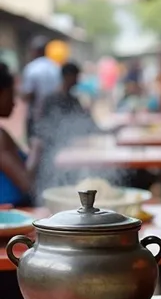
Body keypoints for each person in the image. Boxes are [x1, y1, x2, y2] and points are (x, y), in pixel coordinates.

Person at [35, 62, 99, 197]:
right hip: (52, 155)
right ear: (67, 76)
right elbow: (40, 129)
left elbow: (89, 125)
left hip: (72, 155)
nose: (77, 80)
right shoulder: (50, 99)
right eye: (75, 77)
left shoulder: (73, 100)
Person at [0, 62, 39, 206]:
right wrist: (36, 151)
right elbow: (27, 185)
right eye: (12, 94)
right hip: (13, 216)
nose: (14, 103)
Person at [21, 36, 61, 141]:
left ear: (35, 51)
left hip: (36, 115)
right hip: (54, 114)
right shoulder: (56, 67)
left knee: (36, 144)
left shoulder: (31, 68)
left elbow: (28, 94)